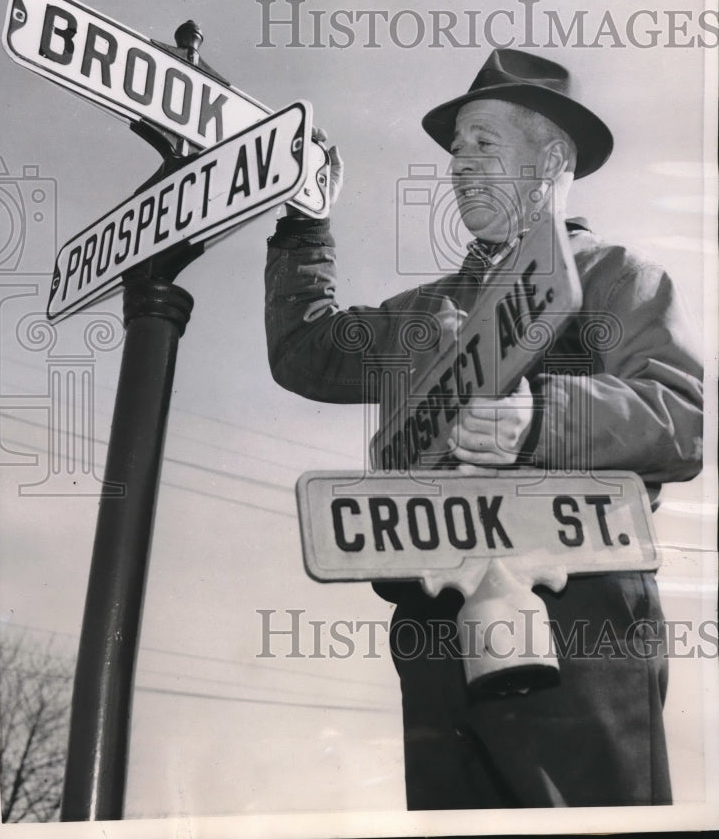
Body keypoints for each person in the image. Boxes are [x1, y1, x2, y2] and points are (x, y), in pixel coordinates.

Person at [264, 49, 703, 808]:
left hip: (578, 617)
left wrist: (543, 419)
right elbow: (307, 353)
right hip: (435, 627)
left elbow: (679, 419)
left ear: (553, 158)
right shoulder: (422, 315)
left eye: (484, 143)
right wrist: (306, 225)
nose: (459, 165)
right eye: (455, 149)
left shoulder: (616, 277)